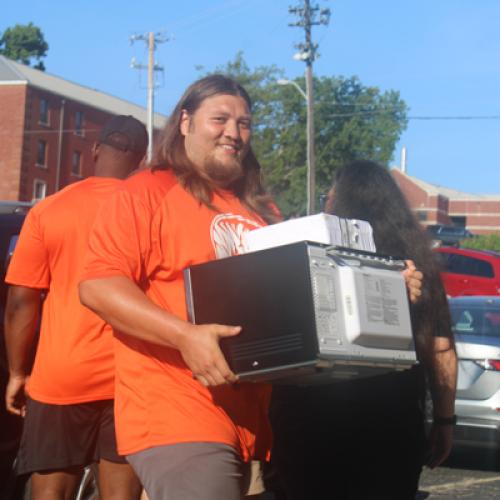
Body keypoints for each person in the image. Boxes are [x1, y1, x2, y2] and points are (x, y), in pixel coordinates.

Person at [78, 75, 283, 500]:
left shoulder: (262, 210)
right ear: (185, 122)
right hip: (177, 409)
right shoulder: (148, 190)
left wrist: (391, 281)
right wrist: (185, 336)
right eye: (221, 119)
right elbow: (98, 285)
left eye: (244, 124)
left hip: (254, 420)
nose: (234, 132)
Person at [269, 160, 457, 500]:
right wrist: (445, 421)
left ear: (337, 202)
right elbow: (441, 351)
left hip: (309, 416)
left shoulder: (314, 251)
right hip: (392, 421)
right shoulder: (418, 263)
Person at [4, 115, 148, 500]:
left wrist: (18, 372)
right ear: (142, 158)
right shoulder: (149, 212)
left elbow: (21, 302)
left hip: (61, 376)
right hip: (130, 379)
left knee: (50, 494)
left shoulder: (49, 210)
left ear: (96, 150)